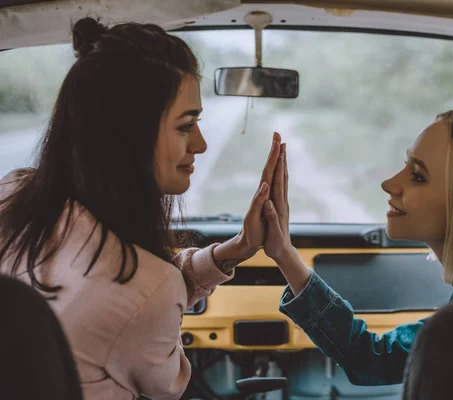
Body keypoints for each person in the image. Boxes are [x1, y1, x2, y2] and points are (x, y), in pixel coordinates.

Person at [0, 17, 282, 400]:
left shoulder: (14, 194)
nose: (200, 144)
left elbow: (128, 302)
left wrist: (235, 250)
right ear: (127, 136)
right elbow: (165, 381)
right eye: (186, 126)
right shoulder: (145, 286)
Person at [260, 109, 453, 385]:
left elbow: (370, 360)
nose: (389, 184)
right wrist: (284, 253)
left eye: (417, 176)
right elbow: (372, 358)